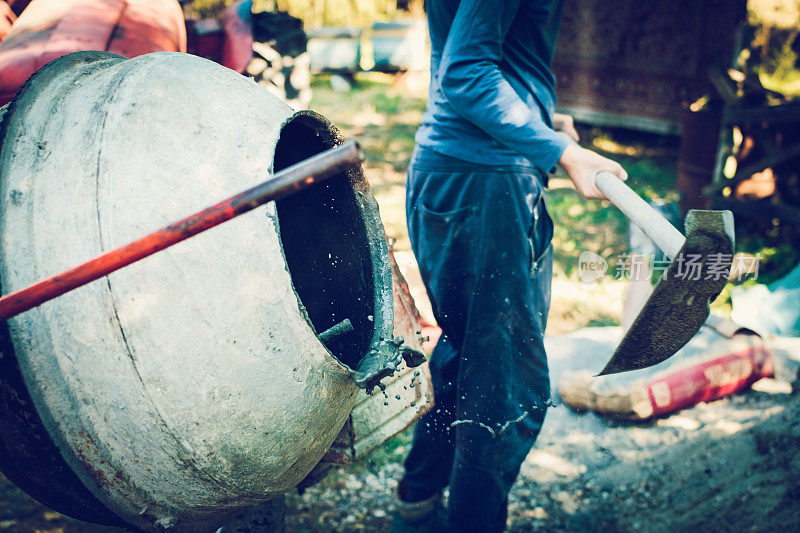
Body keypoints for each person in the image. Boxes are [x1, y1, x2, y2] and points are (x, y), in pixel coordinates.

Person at [391, 1, 627, 532]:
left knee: (469, 350)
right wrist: (559, 148)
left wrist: (540, 117)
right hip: (485, 185)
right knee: (503, 381)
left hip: (458, 172)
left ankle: (418, 502)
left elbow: (483, 48)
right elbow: (466, 72)